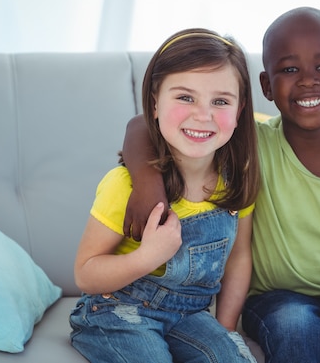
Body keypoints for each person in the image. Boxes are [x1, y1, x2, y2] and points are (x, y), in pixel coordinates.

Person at [121, 7, 320, 363]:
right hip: (278, 297)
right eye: (289, 69)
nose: (308, 80)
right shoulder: (250, 144)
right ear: (266, 86)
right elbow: (142, 124)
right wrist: (147, 184)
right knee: (295, 330)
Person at [69, 28, 260, 363]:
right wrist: (146, 257)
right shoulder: (123, 185)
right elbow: (85, 274)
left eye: (220, 101)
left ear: (240, 110)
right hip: (117, 310)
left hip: (190, 315)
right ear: (155, 103)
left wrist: (225, 328)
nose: (203, 114)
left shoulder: (237, 182)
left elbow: (239, 257)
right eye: (185, 97)